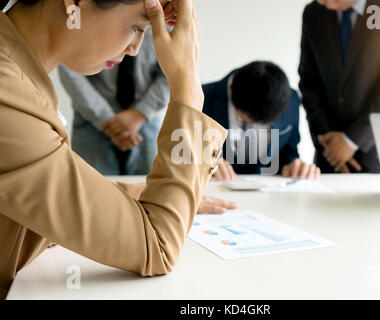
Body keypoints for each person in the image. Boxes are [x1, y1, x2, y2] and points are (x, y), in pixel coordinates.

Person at [0, 0, 231, 300]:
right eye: (137, 27)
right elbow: (158, 246)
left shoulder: (19, 74)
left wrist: (143, 198)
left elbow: (47, 197)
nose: (136, 48)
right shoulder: (8, 94)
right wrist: (188, 88)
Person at [299, 0, 380, 173]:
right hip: (330, 154)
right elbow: (309, 81)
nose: (327, 5)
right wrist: (329, 145)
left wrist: (352, 140)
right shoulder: (314, 12)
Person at [58, 30, 169, 175]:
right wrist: (105, 118)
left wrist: (139, 114)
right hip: (91, 121)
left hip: (146, 122)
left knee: (149, 190)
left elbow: (172, 70)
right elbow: (69, 66)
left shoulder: (167, 23)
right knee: (91, 190)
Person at [202, 61, 320, 181]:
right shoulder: (200, 98)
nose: (253, 125)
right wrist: (201, 164)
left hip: (271, 193)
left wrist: (295, 166)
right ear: (230, 90)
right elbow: (185, 151)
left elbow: (288, 152)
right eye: (245, 118)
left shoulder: (291, 101)